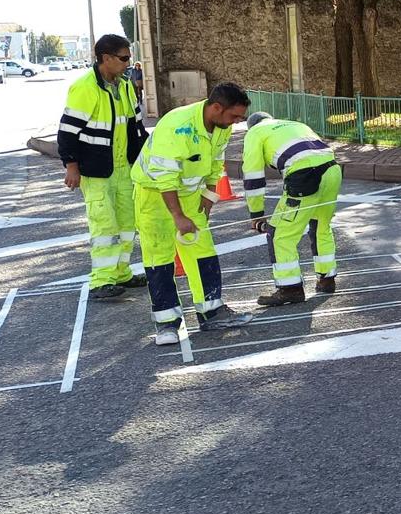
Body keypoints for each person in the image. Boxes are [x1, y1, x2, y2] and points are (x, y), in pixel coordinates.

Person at [131, 81, 255, 345]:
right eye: (234, 116)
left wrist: (209, 197)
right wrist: (178, 217)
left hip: (189, 196)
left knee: (202, 250)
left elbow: (215, 163)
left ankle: (211, 312)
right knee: (159, 255)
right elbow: (165, 179)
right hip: (154, 195)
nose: (236, 123)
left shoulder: (221, 127)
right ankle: (166, 324)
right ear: (216, 108)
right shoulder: (177, 126)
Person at [57, 34, 148, 300]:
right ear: (105, 58)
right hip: (95, 170)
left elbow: (136, 126)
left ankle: (121, 273)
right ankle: (101, 280)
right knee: (104, 226)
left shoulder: (125, 85)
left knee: (127, 223)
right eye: (123, 58)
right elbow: (67, 133)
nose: (128, 63)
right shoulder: (85, 88)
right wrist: (71, 166)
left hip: (124, 168)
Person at [241, 112, 342, 306]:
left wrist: (256, 214)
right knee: (321, 225)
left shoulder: (254, 133)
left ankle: (290, 289)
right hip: (332, 170)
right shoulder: (293, 123)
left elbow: (253, 176)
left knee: (280, 235)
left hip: (304, 176)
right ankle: (327, 279)